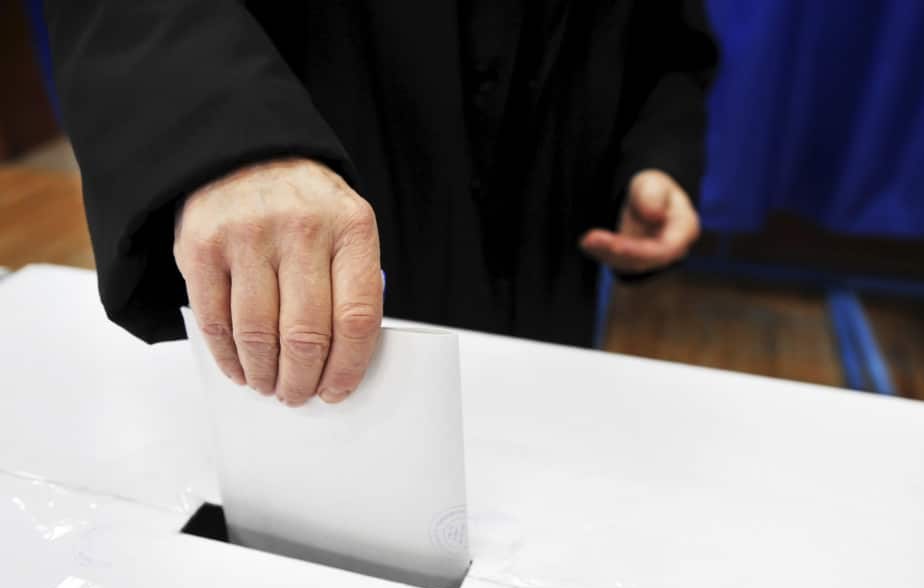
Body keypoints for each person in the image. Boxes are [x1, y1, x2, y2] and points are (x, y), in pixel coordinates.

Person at [45, 0, 717, 406]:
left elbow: (666, 37)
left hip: (546, 271)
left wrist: (656, 156)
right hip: (318, 239)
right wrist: (227, 135)